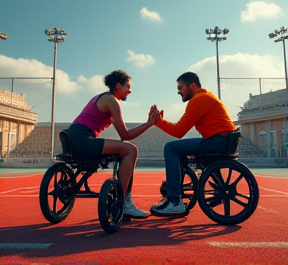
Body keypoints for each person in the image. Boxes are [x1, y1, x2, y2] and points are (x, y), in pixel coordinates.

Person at [68, 70, 158, 218]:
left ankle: (122, 197)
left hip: (73, 137)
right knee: (131, 149)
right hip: (83, 139)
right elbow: (125, 135)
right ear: (118, 86)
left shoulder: (100, 97)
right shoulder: (112, 101)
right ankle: (124, 200)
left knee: (125, 149)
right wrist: (149, 124)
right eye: (127, 86)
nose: (130, 91)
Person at [150, 72, 236, 216]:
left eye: (180, 87)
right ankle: (175, 193)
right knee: (181, 149)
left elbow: (179, 131)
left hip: (217, 141)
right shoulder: (207, 96)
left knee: (170, 148)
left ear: (193, 86)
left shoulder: (198, 100)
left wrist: (158, 122)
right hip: (223, 140)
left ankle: (174, 200)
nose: (178, 91)